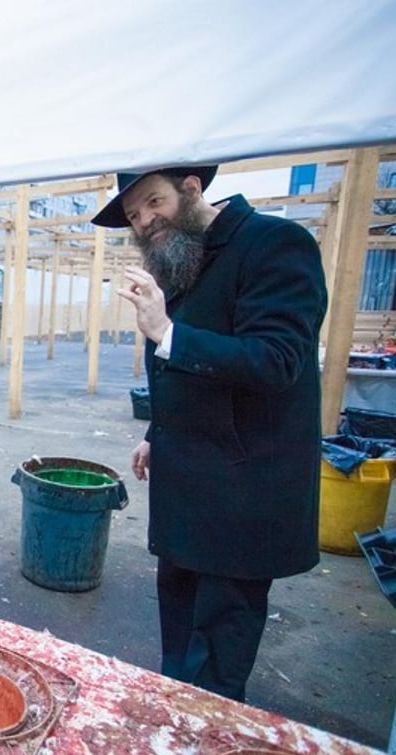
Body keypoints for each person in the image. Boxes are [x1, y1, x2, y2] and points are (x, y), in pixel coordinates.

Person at [92, 165, 328, 702]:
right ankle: (177, 729)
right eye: (134, 215)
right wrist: (158, 429)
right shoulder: (186, 255)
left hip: (241, 502)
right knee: (178, 645)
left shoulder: (275, 244)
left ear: (193, 189)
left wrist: (168, 332)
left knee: (217, 663)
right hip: (185, 495)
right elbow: (189, 374)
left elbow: (277, 360)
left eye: (153, 203)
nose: (145, 221)